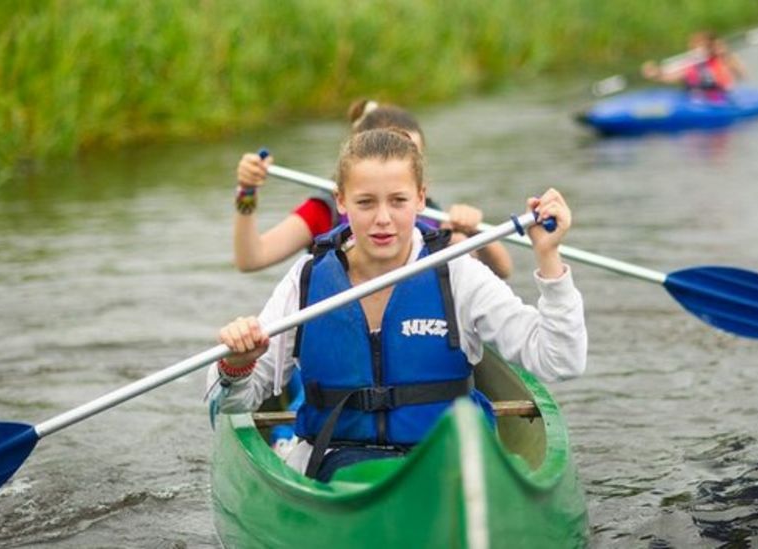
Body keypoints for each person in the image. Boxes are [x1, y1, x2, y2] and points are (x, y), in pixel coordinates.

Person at [207, 128, 587, 482]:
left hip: (448, 459)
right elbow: (231, 406)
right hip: (343, 463)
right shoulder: (306, 278)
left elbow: (561, 361)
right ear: (341, 201)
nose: (383, 219)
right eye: (366, 203)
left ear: (421, 198)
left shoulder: (456, 273)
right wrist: (236, 365)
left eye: (399, 201)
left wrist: (549, 259)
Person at [232, 100, 513, 279]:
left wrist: (475, 232)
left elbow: (502, 270)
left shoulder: (431, 215)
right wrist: (246, 192)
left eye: (411, 154)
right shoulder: (324, 211)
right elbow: (250, 259)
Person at [641, 31, 747, 97]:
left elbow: (742, 75)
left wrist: (726, 55)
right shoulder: (690, 63)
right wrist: (655, 73)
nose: (695, 49)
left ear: (710, 47)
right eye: (694, 45)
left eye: (700, 45)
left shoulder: (723, 59)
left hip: (720, 98)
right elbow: (669, 76)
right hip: (695, 101)